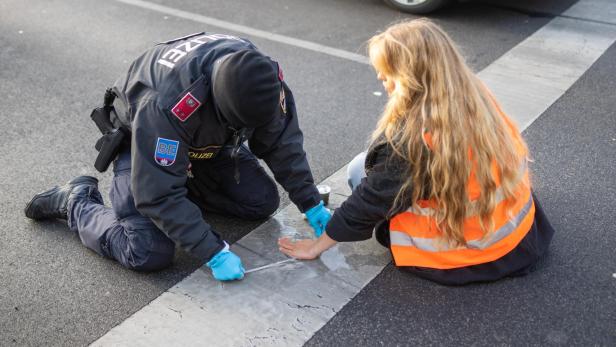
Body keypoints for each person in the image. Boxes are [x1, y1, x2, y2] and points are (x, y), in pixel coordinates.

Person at [24, 32, 331, 281]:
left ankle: (182, 196)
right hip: (142, 140)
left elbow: (282, 140)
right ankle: (76, 200)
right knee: (147, 250)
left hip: (207, 144)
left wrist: (310, 201)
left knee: (260, 200)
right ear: (221, 108)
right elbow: (155, 193)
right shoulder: (169, 104)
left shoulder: (259, 76)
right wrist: (213, 251)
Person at [278, 19, 555, 285]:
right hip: (516, 229)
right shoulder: (471, 92)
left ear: (409, 77)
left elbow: (369, 201)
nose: (379, 76)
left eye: (387, 71)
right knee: (370, 169)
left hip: (468, 253)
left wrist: (317, 245)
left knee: (358, 172)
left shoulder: (412, 139)